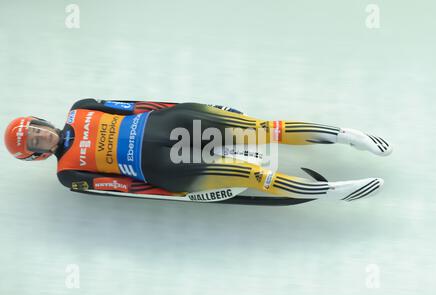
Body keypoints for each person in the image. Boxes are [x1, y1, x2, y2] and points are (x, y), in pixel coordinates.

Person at [4, 98, 392, 202]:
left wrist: (193, 107)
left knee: (261, 129)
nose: (43, 137)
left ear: (42, 121)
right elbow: (120, 187)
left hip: (171, 123)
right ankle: (328, 193)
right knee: (254, 175)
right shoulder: (67, 174)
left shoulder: (82, 106)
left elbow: (139, 106)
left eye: (38, 130)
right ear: (37, 154)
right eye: (36, 142)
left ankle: (346, 135)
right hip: (164, 165)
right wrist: (174, 192)